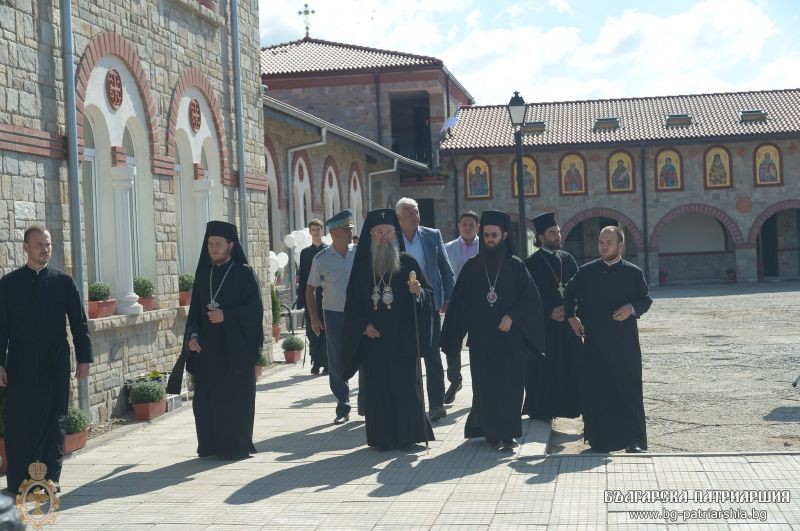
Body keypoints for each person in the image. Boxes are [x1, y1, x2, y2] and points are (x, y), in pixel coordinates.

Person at [441, 210, 545, 450]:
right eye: (486, 234)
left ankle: (507, 434)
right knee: (485, 388)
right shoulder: (471, 267)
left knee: (509, 388)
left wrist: (512, 315)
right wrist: (452, 337)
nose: (489, 238)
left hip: (510, 341)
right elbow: (459, 304)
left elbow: (532, 302)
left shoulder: (516, 266)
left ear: (504, 235)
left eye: (494, 235)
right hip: (482, 341)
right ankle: (489, 432)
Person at [0, 225, 92, 494]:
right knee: (21, 419)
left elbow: (79, 323)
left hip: (56, 358)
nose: (45, 249)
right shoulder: (8, 285)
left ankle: (50, 477)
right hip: (21, 360)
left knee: (55, 418)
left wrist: (84, 358)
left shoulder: (64, 282)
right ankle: (19, 480)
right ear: (25, 247)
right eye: (39, 244)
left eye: (48, 244)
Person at [168, 221, 263, 459]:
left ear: (231, 245)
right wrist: (192, 336)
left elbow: (254, 312)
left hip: (234, 352)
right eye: (210, 244)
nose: (213, 248)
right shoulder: (203, 274)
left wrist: (226, 316)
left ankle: (235, 447)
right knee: (206, 403)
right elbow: (196, 314)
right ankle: (209, 445)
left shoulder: (243, 273)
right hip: (208, 352)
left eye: (218, 244)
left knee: (233, 402)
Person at [341, 208, 435, 450]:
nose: (384, 236)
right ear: (370, 235)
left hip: (403, 339)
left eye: (388, 232)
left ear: (395, 234)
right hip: (375, 341)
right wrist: (363, 325)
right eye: (379, 232)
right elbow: (351, 302)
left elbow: (428, 294)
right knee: (379, 391)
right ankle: (382, 438)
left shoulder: (408, 263)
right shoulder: (362, 267)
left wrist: (419, 293)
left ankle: (408, 436)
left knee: (405, 388)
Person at [564, 226, 652, 453]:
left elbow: (645, 300)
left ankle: (634, 441)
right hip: (596, 344)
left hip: (625, 345)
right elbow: (569, 293)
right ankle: (600, 439)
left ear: (620, 245)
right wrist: (571, 317)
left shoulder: (633, 272)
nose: (604, 246)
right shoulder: (587, 272)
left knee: (629, 391)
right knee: (598, 391)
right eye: (601, 242)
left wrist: (632, 307)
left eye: (609, 242)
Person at [396, 198, 456, 420]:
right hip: (401, 306)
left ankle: (437, 404)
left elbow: (446, 271)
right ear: (399, 218)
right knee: (407, 356)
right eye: (410, 213)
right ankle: (411, 404)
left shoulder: (432, 235)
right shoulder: (392, 238)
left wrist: (448, 298)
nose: (416, 217)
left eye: (417, 212)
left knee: (432, 355)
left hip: (429, 303)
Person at [522, 212, 582, 421]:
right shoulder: (530, 263)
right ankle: (544, 410)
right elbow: (529, 295)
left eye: (557, 232)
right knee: (545, 370)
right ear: (540, 237)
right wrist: (549, 310)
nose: (557, 236)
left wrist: (570, 309)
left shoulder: (568, 258)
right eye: (552, 233)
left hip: (568, 324)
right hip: (545, 326)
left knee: (571, 366)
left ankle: (571, 408)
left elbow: (579, 289)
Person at [305, 210, 357, 424]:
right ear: (335, 233)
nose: (350, 232)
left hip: (359, 314)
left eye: (351, 229)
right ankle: (342, 403)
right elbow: (310, 289)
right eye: (347, 230)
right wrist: (315, 319)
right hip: (334, 314)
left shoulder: (360, 254)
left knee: (365, 355)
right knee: (336, 360)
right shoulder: (321, 259)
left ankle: (366, 403)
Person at [297, 219, 328, 375]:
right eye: (313, 230)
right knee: (312, 330)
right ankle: (316, 361)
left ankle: (327, 362)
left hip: (326, 296)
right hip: (311, 297)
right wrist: (301, 299)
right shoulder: (305, 253)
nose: (316, 232)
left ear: (322, 230)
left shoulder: (328, 251)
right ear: (310, 232)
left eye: (318, 229)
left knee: (326, 329)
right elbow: (302, 277)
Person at [444, 211, 480, 281]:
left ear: (478, 227)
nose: (467, 228)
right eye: (464, 224)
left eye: (471, 225)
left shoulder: (485, 247)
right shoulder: (447, 249)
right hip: (456, 290)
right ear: (459, 226)